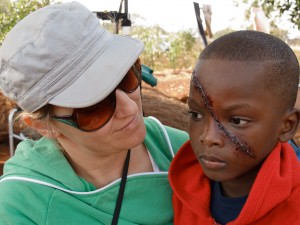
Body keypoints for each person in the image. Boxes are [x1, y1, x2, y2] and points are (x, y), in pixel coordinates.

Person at [0, 2, 188, 224]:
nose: (130, 108)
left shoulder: (183, 153)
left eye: (127, 77)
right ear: (44, 126)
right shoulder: (23, 202)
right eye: (94, 107)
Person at [169, 30, 300, 224]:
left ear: (286, 127)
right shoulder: (184, 188)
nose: (208, 137)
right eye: (196, 114)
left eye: (237, 120)